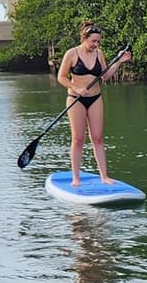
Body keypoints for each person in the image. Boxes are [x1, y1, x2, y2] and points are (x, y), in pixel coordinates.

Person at [55, 21, 132, 185]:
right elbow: (61, 77)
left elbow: (105, 76)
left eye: (98, 42)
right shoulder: (71, 54)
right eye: (93, 41)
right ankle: (76, 178)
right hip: (75, 99)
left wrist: (119, 61)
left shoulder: (99, 53)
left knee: (97, 138)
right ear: (84, 38)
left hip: (95, 98)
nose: (96, 44)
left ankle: (104, 176)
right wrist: (75, 87)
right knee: (78, 139)